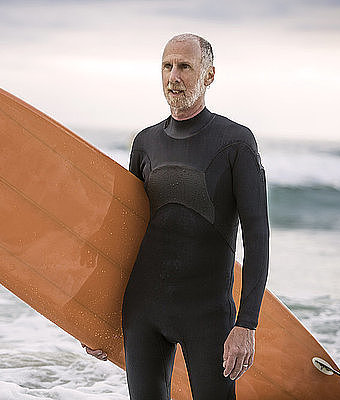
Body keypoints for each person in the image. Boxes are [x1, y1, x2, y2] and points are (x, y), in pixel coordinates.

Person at [83, 33, 269, 400]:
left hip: (208, 315)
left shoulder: (235, 142)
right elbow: (122, 234)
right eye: (167, 66)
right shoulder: (146, 142)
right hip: (143, 312)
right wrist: (99, 320)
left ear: (209, 75)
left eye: (185, 66)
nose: (174, 76)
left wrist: (246, 324)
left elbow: (258, 238)